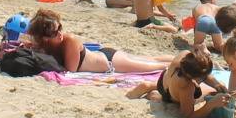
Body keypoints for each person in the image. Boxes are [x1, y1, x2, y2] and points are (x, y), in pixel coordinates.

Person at [24, 9, 169, 73]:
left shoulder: (70, 41)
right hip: (104, 57)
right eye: (55, 32)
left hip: (111, 62)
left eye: (60, 28)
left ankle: (182, 61)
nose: (60, 33)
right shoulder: (45, 44)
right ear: (44, 37)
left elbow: (70, 70)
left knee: (156, 65)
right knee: (150, 60)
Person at [124, 48, 236, 118]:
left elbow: (199, 71)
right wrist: (211, 104)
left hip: (163, 81)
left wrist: (216, 83)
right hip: (172, 95)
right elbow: (188, 116)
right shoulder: (187, 87)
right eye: (203, 77)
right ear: (194, 78)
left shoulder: (185, 56)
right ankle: (157, 96)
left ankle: (151, 87)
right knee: (207, 93)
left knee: (167, 90)